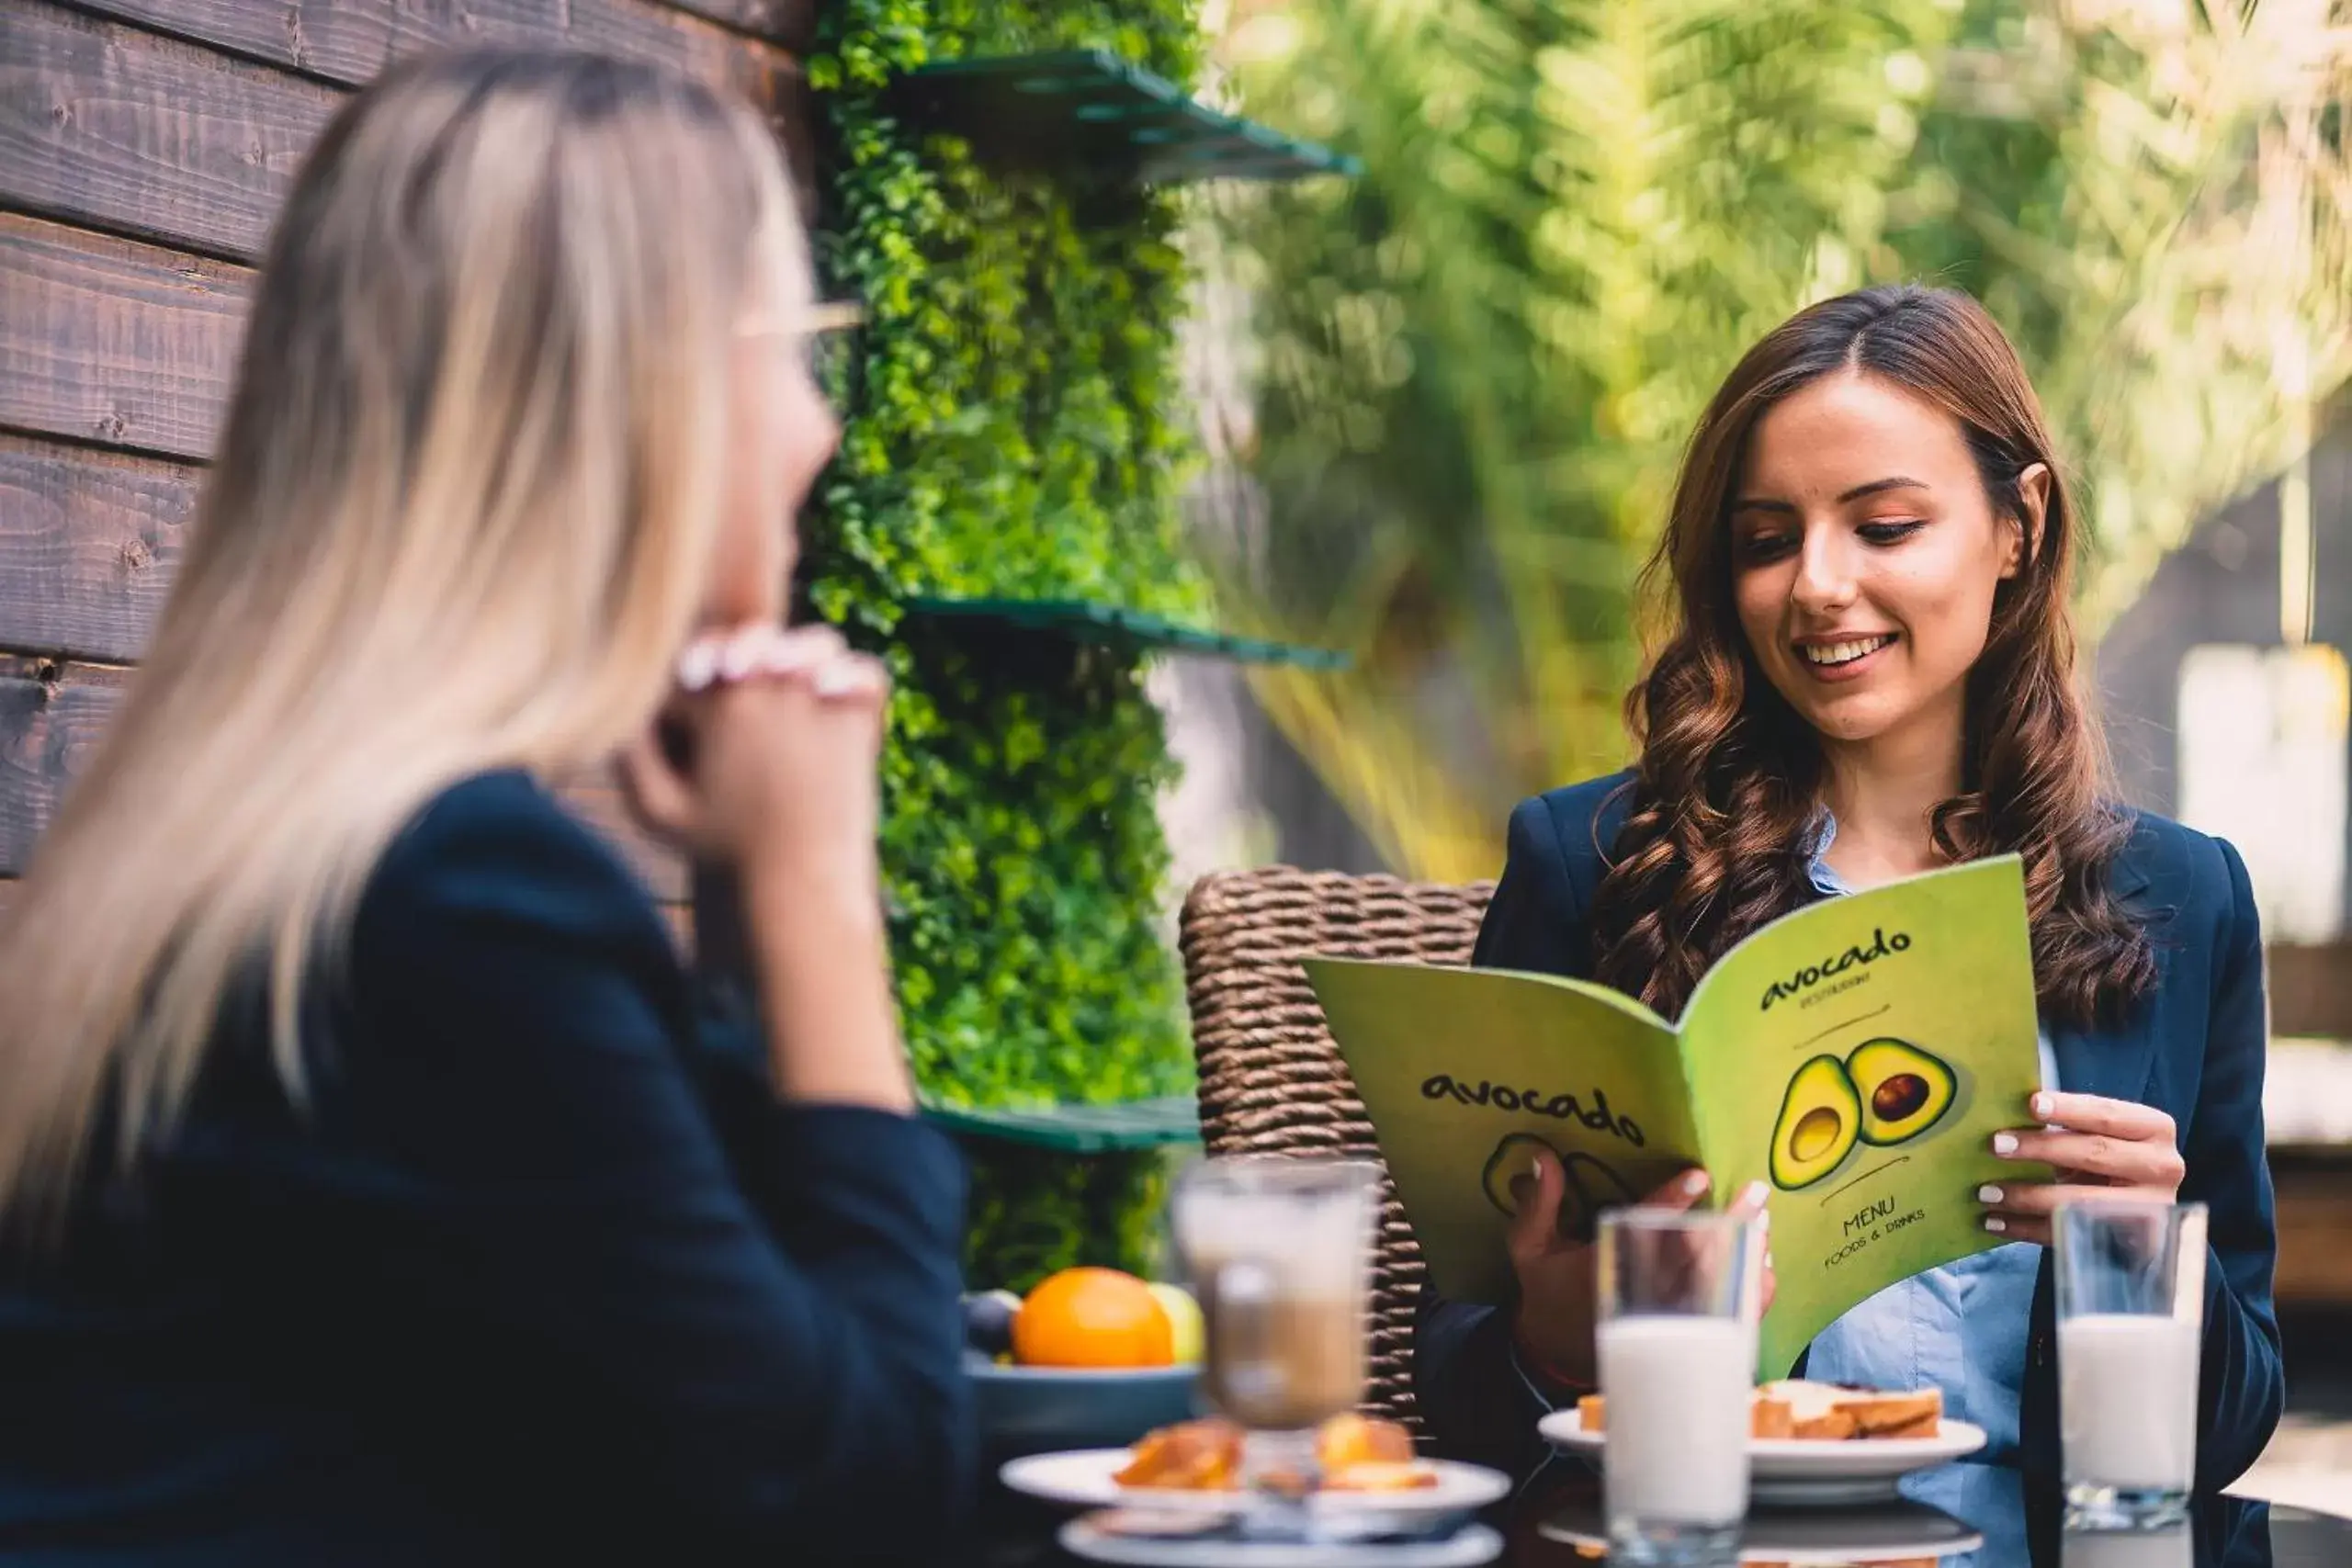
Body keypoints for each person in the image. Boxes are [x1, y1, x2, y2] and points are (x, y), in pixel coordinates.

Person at [0, 51, 969, 1564]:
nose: (816, 432)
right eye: (792, 351)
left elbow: (697, 1368)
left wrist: (732, 910)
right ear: (635, 402)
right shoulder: (466, 898)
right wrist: (817, 901)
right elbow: (862, 1500)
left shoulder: (288, 850)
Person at [1413, 285, 2281, 1494]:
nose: (1817, 584)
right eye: (1767, 539)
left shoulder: (2186, 896)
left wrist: (2147, 1253)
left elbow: (2229, 1429)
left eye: (1883, 527)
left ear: (2018, 526)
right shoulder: (1594, 865)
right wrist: (1547, 1344)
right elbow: (1451, 1369)